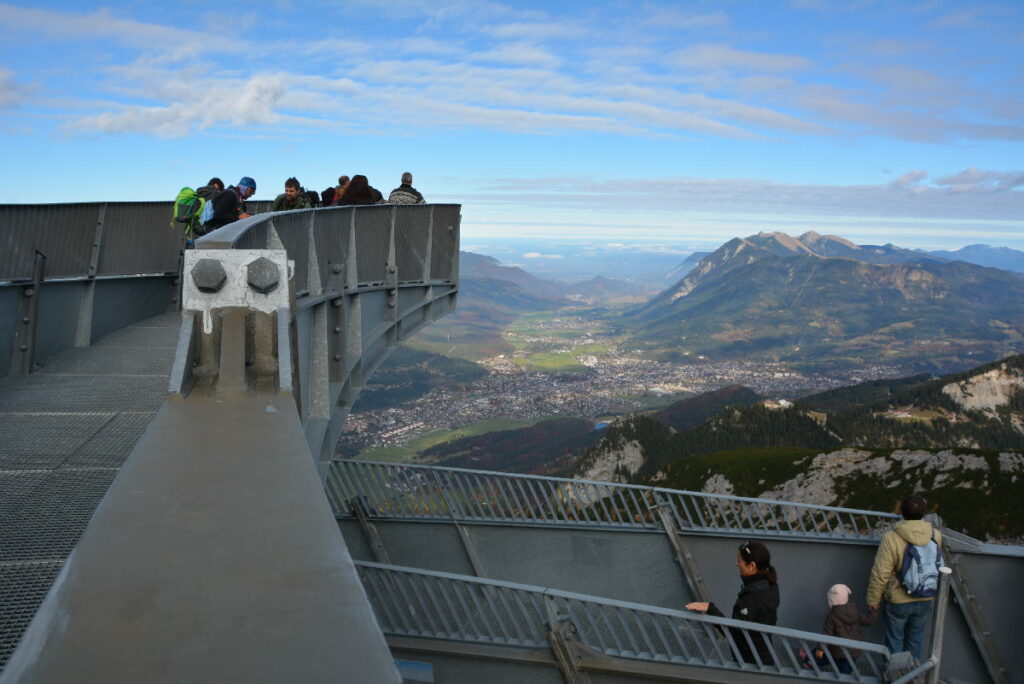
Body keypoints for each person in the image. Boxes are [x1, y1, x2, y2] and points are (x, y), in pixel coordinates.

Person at [867, 495, 942, 660]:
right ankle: (912, 676)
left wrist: (873, 601)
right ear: (924, 513)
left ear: (901, 512)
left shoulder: (891, 538)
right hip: (925, 597)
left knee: (895, 642)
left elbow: (880, 574)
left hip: (898, 600)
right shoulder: (935, 535)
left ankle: (895, 677)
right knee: (915, 639)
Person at [686, 540, 780, 665]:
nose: (737, 564)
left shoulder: (750, 600)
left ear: (752, 566)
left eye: (740, 561)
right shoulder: (770, 585)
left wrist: (710, 609)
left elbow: (734, 633)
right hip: (765, 654)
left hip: (750, 661)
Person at [799, 584, 878, 674]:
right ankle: (846, 678)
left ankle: (807, 660)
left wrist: (820, 649)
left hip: (836, 651)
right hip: (853, 652)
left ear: (831, 601)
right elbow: (869, 621)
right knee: (845, 671)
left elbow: (826, 635)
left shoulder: (831, 616)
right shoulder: (855, 612)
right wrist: (873, 611)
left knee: (820, 655)